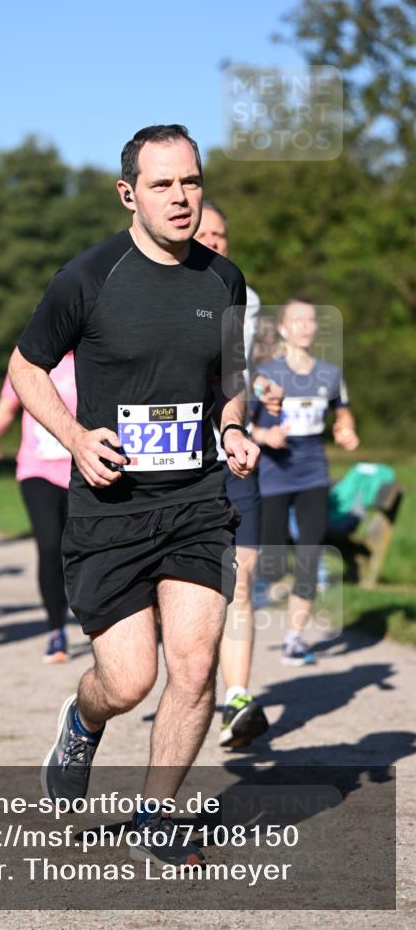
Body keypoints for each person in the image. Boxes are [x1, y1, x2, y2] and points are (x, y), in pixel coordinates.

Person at [8, 124, 259, 869]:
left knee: (192, 663)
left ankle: (157, 812)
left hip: (195, 501)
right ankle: (83, 724)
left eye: (191, 181)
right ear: (128, 194)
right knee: (127, 680)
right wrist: (77, 437)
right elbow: (25, 370)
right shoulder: (86, 278)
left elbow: (232, 378)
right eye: (162, 185)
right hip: (109, 509)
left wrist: (235, 428)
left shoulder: (224, 279)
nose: (181, 199)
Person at [195, 202, 282, 749]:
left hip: (236, 454)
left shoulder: (246, 300)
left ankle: (239, 697)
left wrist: (270, 389)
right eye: (206, 234)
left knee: (242, 581)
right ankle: (190, 680)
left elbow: (264, 367)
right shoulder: (153, 293)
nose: (215, 242)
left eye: (222, 234)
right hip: (179, 463)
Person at [252, 298, 359, 665]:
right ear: (282, 328)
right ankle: (250, 601)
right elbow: (236, 424)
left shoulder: (329, 374)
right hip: (273, 475)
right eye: (297, 320)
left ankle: (294, 638)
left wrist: (346, 431)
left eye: (311, 320)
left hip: (313, 473)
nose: (305, 326)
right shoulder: (267, 374)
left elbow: (342, 413)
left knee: (310, 553)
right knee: (273, 559)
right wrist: (264, 438)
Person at [0, 351, 76, 662]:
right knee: (49, 547)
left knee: (82, 551)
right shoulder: (32, 358)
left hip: (83, 470)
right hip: (38, 469)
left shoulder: (92, 354)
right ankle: (56, 630)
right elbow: (7, 406)